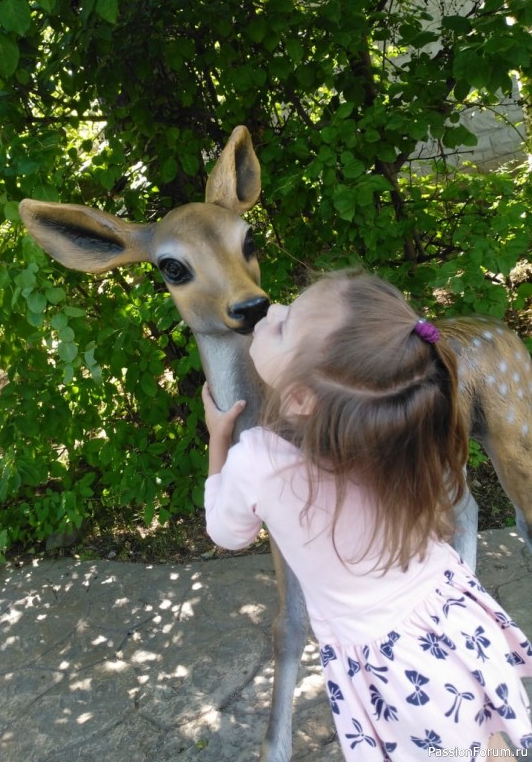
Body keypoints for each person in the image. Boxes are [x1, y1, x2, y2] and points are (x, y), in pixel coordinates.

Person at [202, 269, 532, 759]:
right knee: (478, 742)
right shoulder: (393, 429)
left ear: (299, 398)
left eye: (284, 325)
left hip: (396, 673)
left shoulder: (257, 461)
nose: (270, 309)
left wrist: (219, 441)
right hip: (455, 623)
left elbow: (226, 532)